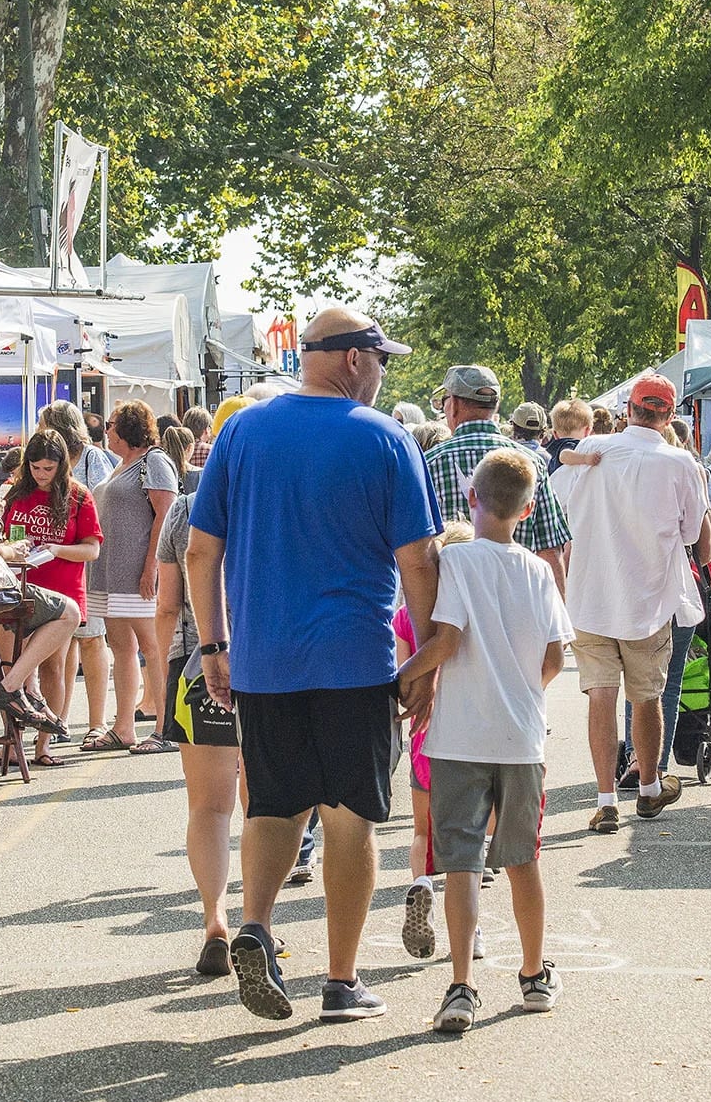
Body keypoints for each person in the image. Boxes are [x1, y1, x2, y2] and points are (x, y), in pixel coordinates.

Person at [186, 304, 441, 1023]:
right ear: (354, 358)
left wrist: (214, 646)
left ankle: (256, 925)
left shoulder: (241, 432)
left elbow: (200, 550)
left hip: (263, 661)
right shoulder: (385, 437)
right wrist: (426, 657)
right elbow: (420, 560)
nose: (382, 373)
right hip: (355, 660)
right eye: (381, 360)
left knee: (273, 807)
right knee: (350, 820)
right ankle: (340, 980)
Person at [396, 450, 572, 1034]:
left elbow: (446, 640)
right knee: (523, 860)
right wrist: (521, 691)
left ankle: (461, 986)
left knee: (461, 865)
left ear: (472, 497)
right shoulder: (540, 572)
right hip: (520, 736)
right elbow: (554, 657)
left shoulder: (457, 560)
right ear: (527, 509)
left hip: (458, 735)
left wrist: (401, 680)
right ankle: (533, 974)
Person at [549, 373, 711, 834]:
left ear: (629, 410)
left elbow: (557, 500)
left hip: (590, 595)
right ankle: (647, 786)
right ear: (669, 414)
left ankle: (606, 799)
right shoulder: (681, 464)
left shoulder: (592, 451)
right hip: (648, 598)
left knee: (600, 697)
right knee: (647, 696)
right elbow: (691, 534)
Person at [155, 387, 281, 977]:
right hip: (269, 668)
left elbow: (166, 605)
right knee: (263, 806)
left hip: (197, 667)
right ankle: (259, 924)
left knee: (207, 807)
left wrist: (158, 680)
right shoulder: (276, 499)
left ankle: (214, 919)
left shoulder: (185, 507)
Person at [0, 430, 103, 764]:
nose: (42, 475)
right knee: (10, 669)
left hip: (61, 592)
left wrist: (57, 549)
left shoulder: (79, 496)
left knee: (53, 668)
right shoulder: (17, 493)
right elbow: (2, 537)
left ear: (62, 465)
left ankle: (44, 744)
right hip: (19, 587)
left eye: (48, 468)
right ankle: (11, 744)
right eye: (35, 468)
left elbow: (92, 549)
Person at [421, 364, 572, 593]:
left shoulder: (429, 464)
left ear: (454, 405)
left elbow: (417, 552)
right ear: (496, 406)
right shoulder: (532, 463)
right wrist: (559, 610)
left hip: (450, 601)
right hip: (517, 600)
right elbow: (550, 550)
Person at [396, 520, 474, 961]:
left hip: (424, 737)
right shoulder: (473, 612)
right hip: (467, 737)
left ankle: (421, 882)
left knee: (422, 831)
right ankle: (471, 932)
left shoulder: (406, 617)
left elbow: (405, 681)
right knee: (466, 840)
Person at [84, 400, 179, 754]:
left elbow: (165, 514)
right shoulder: (121, 465)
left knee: (152, 647)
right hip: (113, 572)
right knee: (122, 647)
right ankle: (123, 727)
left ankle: (165, 728)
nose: (105, 430)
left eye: (110, 424)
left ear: (127, 428)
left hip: (137, 571)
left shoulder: (153, 461)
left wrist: (151, 567)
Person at [37, 402, 107, 740]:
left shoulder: (91, 458)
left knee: (91, 638)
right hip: (56, 564)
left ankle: (97, 722)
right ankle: (58, 720)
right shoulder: (47, 460)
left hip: (85, 559)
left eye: (43, 424)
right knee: (61, 645)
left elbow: (101, 504)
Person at [546, 398, 592, 467]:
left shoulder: (554, 449)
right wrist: (585, 458)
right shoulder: (570, 444)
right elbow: (564, 455)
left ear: (555, 434)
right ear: (587, 431)